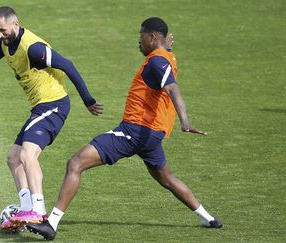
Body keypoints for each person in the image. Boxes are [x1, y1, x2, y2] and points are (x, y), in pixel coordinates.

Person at [26, 17, 222, 241]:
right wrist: (165, 48)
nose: (138, 41)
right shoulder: (166, 56)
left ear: (152, 37)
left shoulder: (157, 61)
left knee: (76, 163)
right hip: (152, 135)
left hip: (133, 131)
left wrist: (184, 121)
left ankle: (51, 223)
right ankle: (208, 218)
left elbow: (172, 88)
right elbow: (165, 68)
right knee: (166, 178)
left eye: (141, 36)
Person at [0, 6, 103, 232]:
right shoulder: (4, 45)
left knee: (27, 154)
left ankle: (38, 209)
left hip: (54, 105)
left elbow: (68, 65)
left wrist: (88, 100)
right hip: (39, 108)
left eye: (3, 30)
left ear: (15, 24)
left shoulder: (33, 49)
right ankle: (25, 208)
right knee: (13, 157)